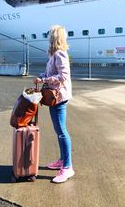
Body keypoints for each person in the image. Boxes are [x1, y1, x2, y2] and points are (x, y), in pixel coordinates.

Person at [34, 25, 74, 183]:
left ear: (54, 38)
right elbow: (53, 73)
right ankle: (62, 160)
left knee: (62, 131)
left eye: (50, 35)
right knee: (59, 131)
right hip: (55, 97)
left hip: (59, 97)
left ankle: (68, 167)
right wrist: (41, 76)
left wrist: (44, 80)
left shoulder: (60, 54)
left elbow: (63, 76)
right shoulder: (55, 55)